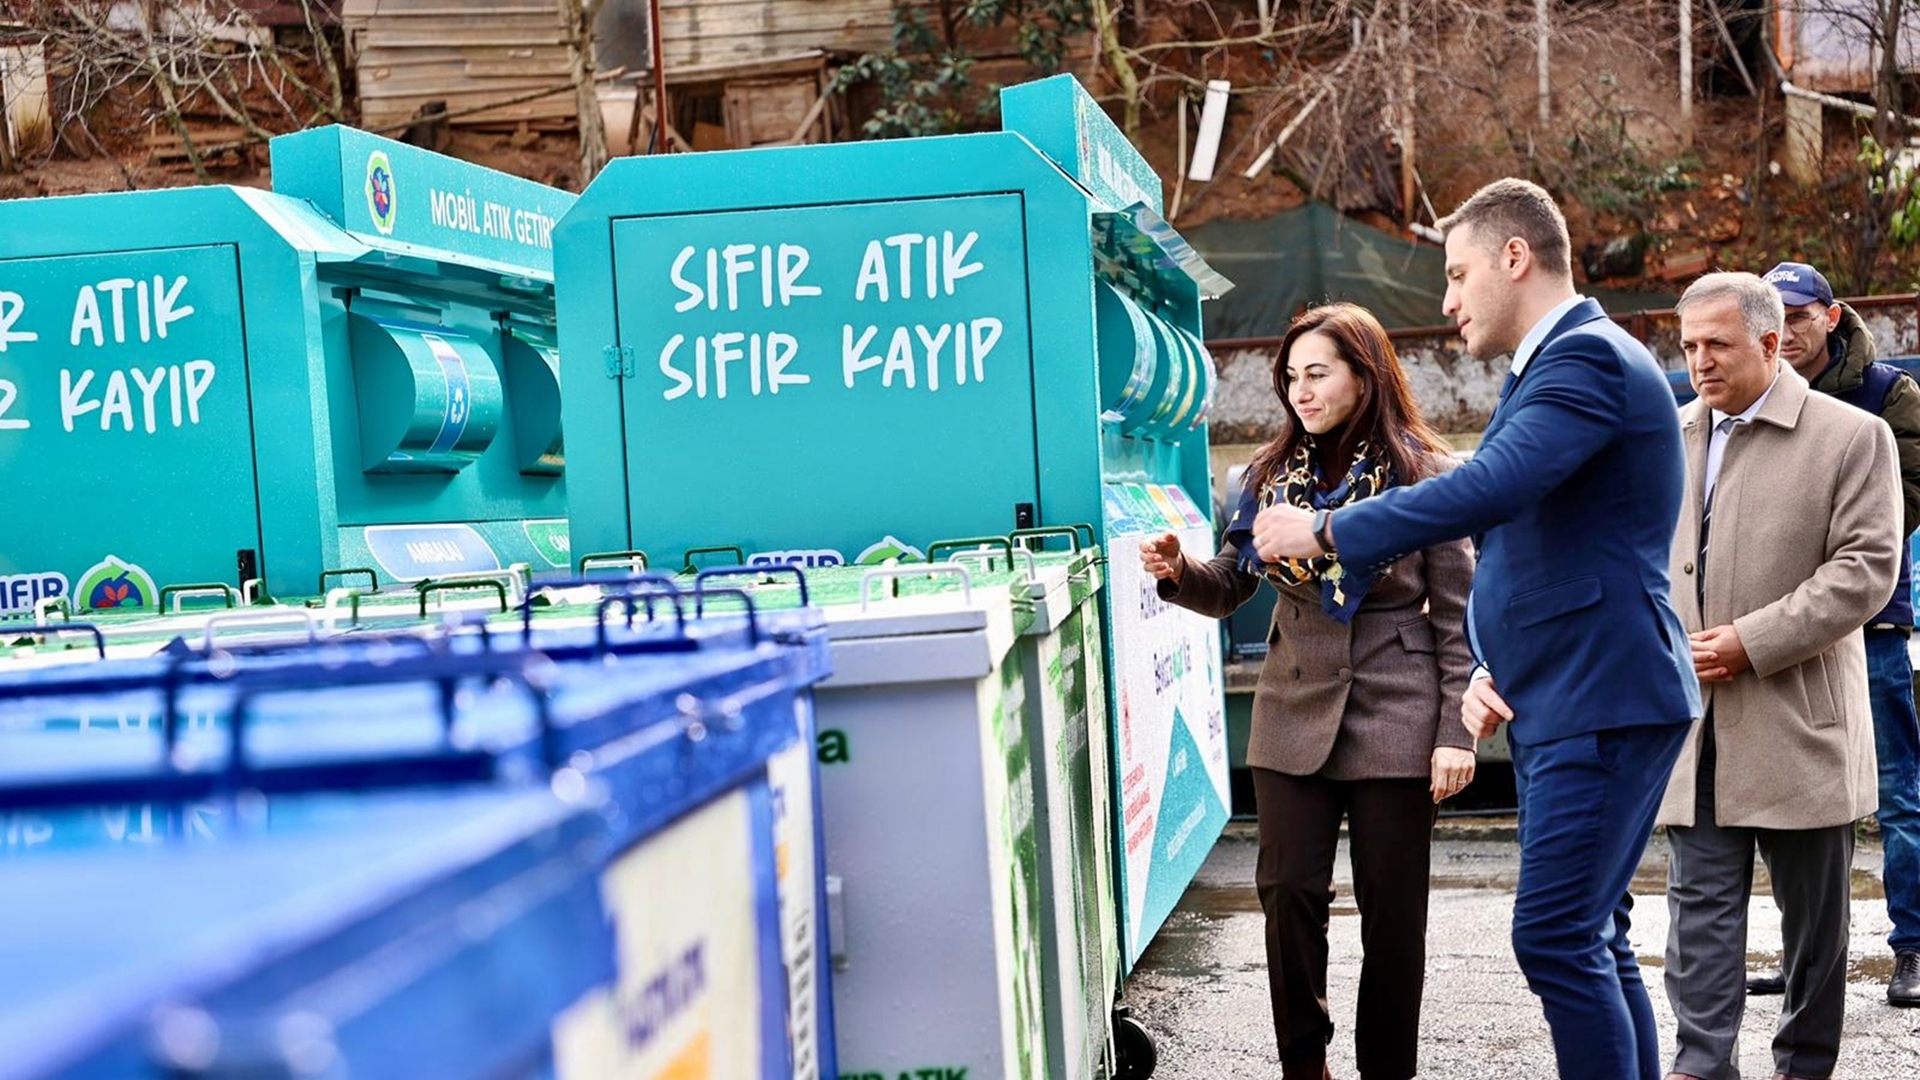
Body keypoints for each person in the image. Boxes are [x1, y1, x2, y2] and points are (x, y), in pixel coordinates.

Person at [1248, 178, 1700, 1080]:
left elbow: (1488, 489)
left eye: (1457, 275)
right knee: (1594, 938)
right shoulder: (1556, 366)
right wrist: (1496, 664)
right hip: (1568, 688)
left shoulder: (1585, 360)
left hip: (1598, 690)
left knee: (1558, 937)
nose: (1448, 301)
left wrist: (1328, 529)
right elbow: (1532, 544)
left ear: (1515, 257)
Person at [1140, 302, 1476, 1080]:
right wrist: (1179, 572)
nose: (1302, 391)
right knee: (1287, 893)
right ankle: (1304, 1065)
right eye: (1291, 377)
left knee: (1394, 916)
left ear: (1366, 374)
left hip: (1398, 708)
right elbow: (1230, 584)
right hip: (1292, 707)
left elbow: (1460, 615)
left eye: (1318, 373)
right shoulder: (1267, 475)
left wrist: (1456, 733)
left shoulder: (1427, 476)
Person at [1657, 270, 1901, 1080]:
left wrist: (1750, 641)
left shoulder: (1852, 436)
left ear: (1770, 343)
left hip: (1799, 718)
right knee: (1697, 914)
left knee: (1814, 928)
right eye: (1689, 345)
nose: (1700, 361)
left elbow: (1866, 571)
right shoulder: (1669, 435)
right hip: (1694, 721)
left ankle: (1803, 1065)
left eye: (1717, 344)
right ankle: (1701, 1065)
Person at [1741, 261, 1920, 1008]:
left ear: (1832, 315)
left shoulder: (1889, 394)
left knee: (1898, 790)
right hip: (1779, 625)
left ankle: (1913, 948)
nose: (1787, 330)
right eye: (1774, 317)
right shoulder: (1752, 395)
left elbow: (1903, 504)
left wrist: (1809, 550)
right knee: (1797, 798)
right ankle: (1805, 955)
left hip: (1869, 622)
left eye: (1799, 316)